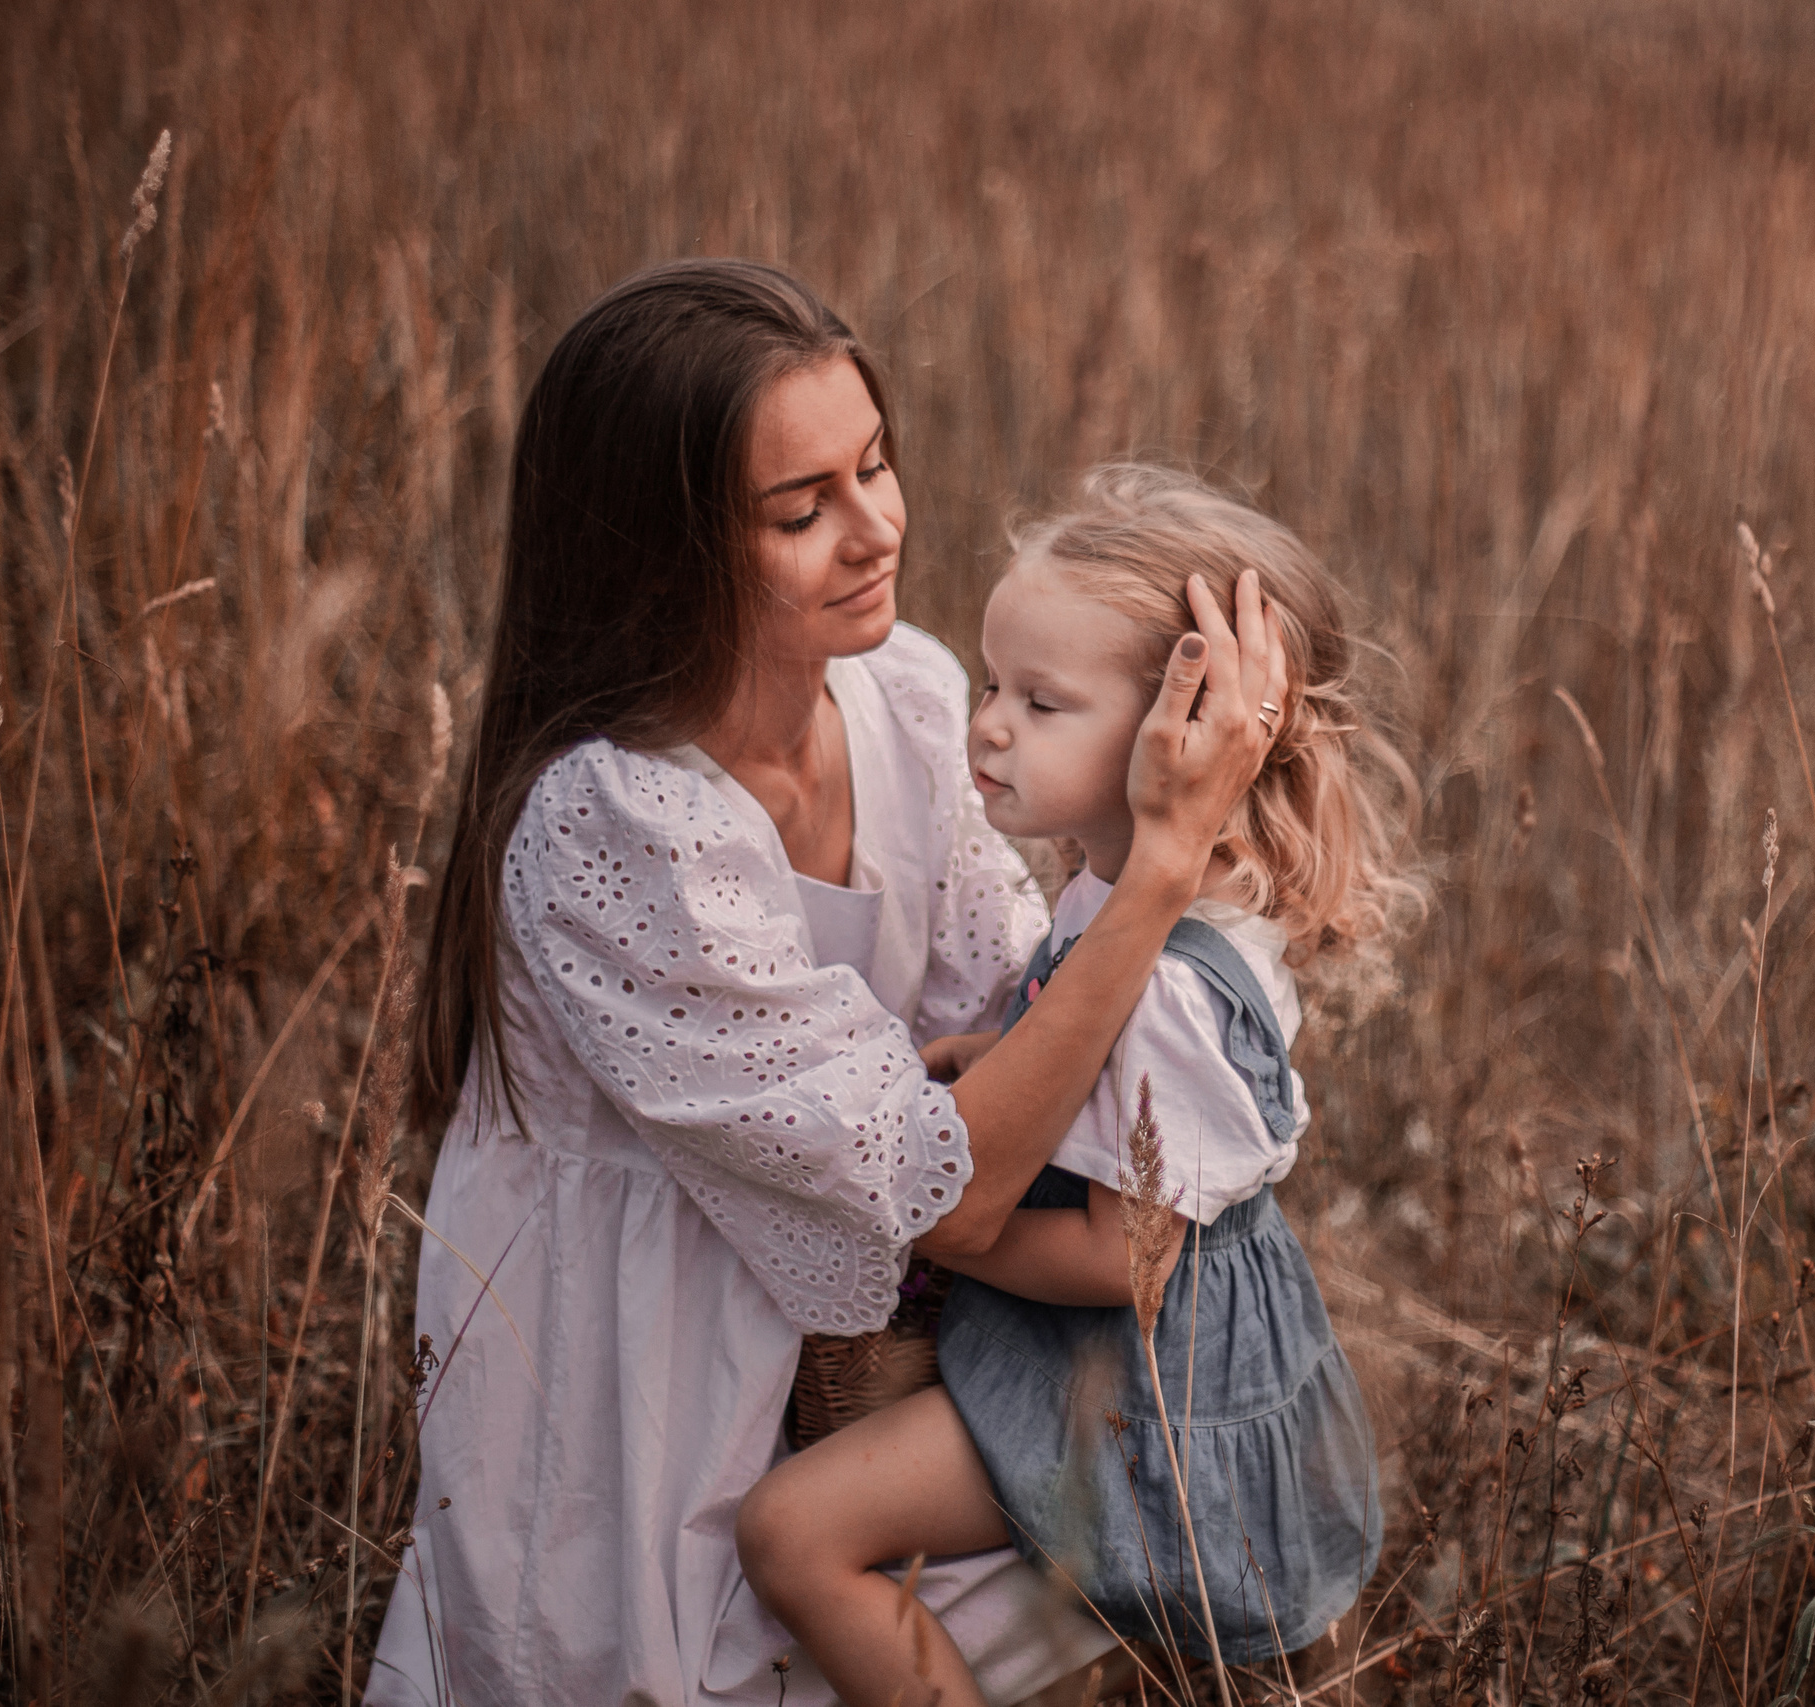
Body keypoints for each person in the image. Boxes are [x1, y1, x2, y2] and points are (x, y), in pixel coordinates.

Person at [363, 265, 1287, 1707]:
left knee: (1005, 1624)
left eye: (875, 464)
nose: (877, 529)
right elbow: (962, 1186)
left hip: (883, 1349)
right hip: (649, 1368)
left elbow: (1026, 1030)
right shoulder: (617, 823)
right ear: (660, 553)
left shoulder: (910, 693)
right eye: (802, 510)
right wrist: (1162, 866)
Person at [735, 465, 1409, 1704]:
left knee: (793, 1534)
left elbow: (1125, 1257)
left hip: (1139, 1374)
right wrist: (989, 1062)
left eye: (1043, 704)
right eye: (994, 685)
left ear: (1185, 742)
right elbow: (1084, 1055)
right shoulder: (1112, 885)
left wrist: (931, 1232)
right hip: (1079, 1332)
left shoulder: (1174, 980)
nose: (986, 724)